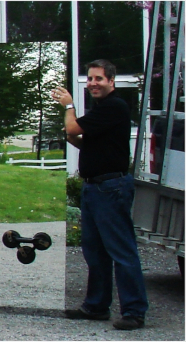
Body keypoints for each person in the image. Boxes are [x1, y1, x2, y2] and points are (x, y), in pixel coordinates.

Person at [52, 59, 148, 330]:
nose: (93, 83)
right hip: (94, 187)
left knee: (121, 251)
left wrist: (69, 106)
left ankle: (134, 311)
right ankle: (96, 306)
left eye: (99, 79)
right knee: (94, 251)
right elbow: (80, 139)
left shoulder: (114, 106)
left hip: (111, 188)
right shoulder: (102, 110)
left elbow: (73, 128)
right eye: (90, 79)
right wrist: (74, 139)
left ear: (111, 81)